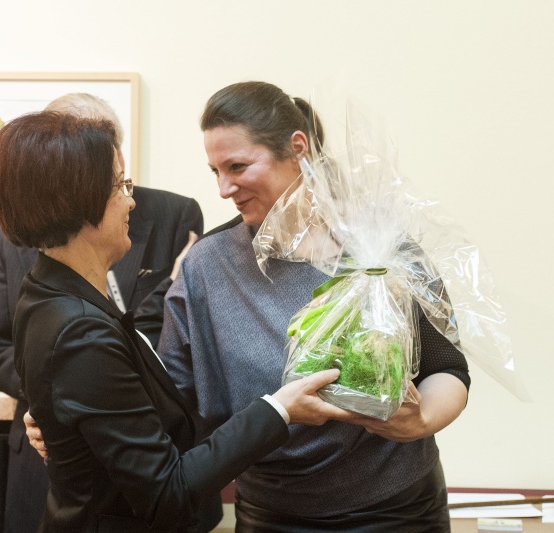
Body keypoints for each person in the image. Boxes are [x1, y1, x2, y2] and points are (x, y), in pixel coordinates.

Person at [0, 109, 350, 533]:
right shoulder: (79, 330)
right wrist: (279, 409)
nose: (131, 201)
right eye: (119, 186)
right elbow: (165, 494)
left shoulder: (45, 291)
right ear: (78, 201)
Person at [153, 81, 471, 532]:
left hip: (397, 509)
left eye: (238, 166)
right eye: (215, 171)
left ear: (298, 149)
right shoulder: (206, 267)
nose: (224, 188)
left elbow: (448, 367)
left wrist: (419, 421)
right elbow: (171, 401)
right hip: (271, 514)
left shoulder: (379, 250)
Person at [0, 94, 207, 532]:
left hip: (155, 463)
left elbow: (167, 339)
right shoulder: (10, 244)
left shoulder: (174, 215)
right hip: (52, 465)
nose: (126, 196)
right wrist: (62, 403)